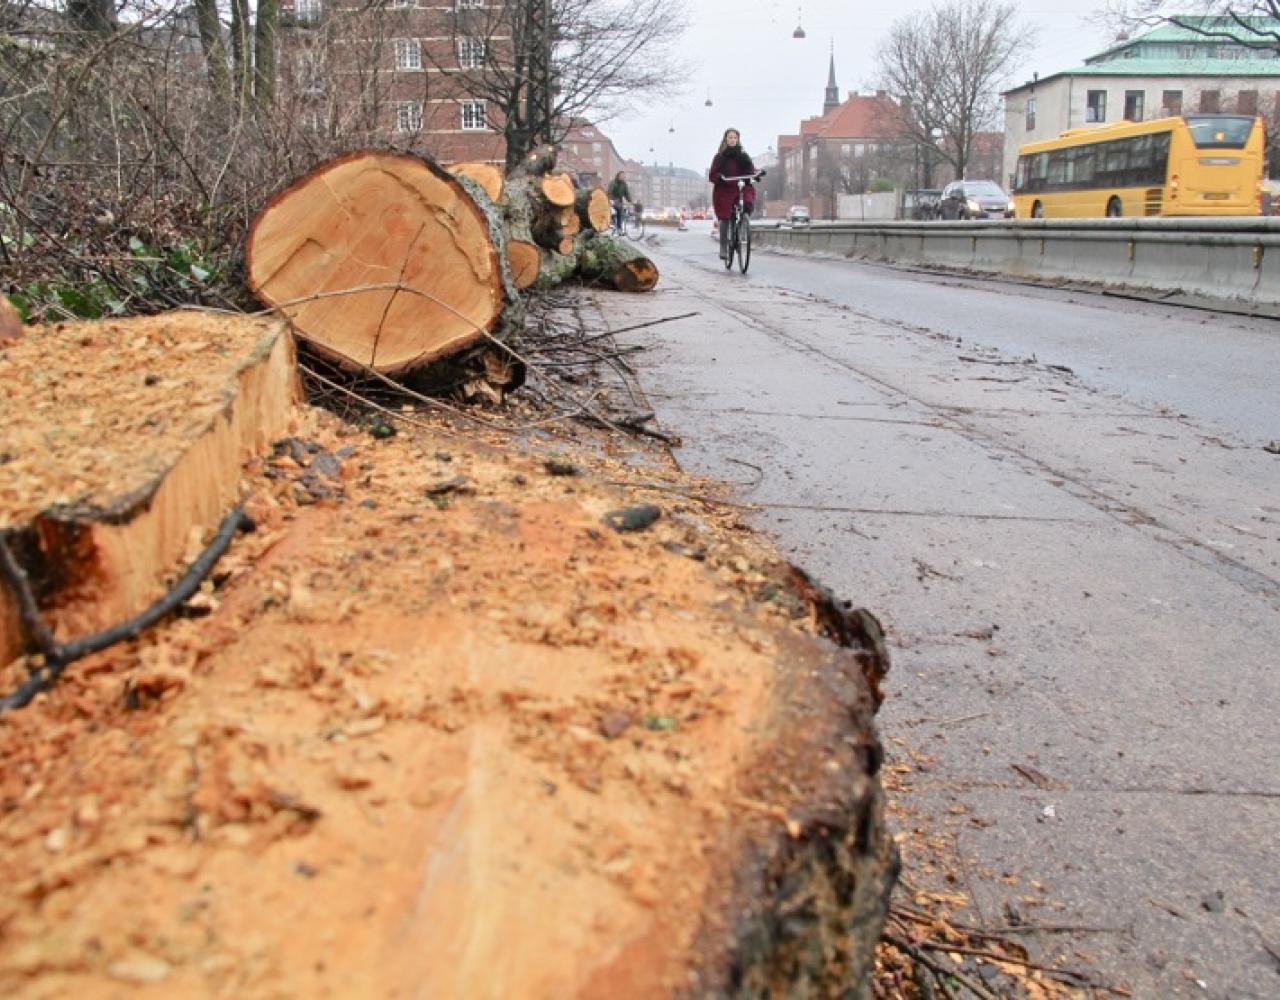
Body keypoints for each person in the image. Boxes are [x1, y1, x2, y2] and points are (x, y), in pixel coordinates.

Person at [708, 128, 757, 261]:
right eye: (730, 137)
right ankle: (724, 247)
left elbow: (751, 170)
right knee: (724, 216)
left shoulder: (743, 156)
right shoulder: (719, 157)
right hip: (725, 188)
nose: (732, 140)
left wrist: (755, 175)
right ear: (725, 139)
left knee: (747, 198)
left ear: (738, 140)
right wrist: (719, 177)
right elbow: (712, 174)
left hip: (740, 186)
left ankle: (743, 225)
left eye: (735, 137)